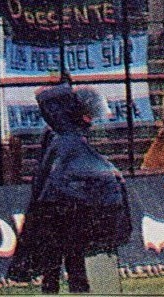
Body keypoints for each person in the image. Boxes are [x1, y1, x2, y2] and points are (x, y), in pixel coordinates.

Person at [8, 84, 131, 294]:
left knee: (62, 261)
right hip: (61, 208)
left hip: (57, 206)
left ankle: (64, 289)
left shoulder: (63, 135)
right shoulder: (68, 138)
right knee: (65, 260)